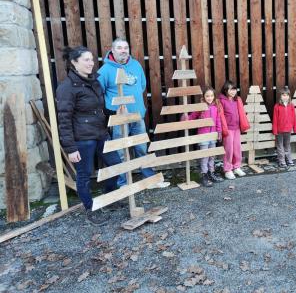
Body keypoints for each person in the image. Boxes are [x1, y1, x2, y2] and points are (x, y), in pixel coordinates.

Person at [56, 46, 121, 226]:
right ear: (74, 63)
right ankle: (90, 208)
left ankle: (109, 197)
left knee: (116, 165)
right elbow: (64, 119)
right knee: (84, 175)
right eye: (86, 60)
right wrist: (70, 148)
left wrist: (113, 111)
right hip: (82, 138)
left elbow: (96, 109)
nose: (91, 63)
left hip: (100, 132)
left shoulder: (94, 81)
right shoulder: (67, 87)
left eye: (92, 59)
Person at [97, 38, 169, 189]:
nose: (123, 50)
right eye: (119, 48)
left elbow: (142, 85)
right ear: (113, 50)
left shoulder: (135, 65)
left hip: (137, 116)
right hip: (118, 119)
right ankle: (124, 184)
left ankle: (150, 180)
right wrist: (111, 110)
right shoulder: (105, 70)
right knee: (121, 152)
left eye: (125, 47)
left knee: (142, 148)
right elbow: (98, 93)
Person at [186, 87, 224, 187]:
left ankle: (211, 173)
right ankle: (204, 175)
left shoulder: (216, 107)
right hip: (203, 136)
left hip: (213, 135)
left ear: (214, 96)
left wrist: (219, 132)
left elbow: (218, 121)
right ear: (204, 97)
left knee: (212, 155)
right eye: (207, 96)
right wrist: (186, 118)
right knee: (204, 156)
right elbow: (192, 116)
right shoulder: (201, 107)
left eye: (211, 95)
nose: (210, 98)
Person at [218, 81, 250, 180]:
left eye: (234, 89)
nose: (233, 91)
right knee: (229, 149)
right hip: (228, 129)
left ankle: (236, 167)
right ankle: (228, 169)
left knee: (237, 148)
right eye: (230, 89)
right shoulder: (221, 100)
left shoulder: (237, 100)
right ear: (225, 90)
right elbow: (221, 115)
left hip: (236, 128)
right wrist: (223, 129)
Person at [272, 87, 296, 168]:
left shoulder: (291, 105)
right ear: (280, 96)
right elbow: (275, 119)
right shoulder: (277, 106)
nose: (285, 97)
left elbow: (294, 117)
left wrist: (295, 128)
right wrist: (275, 130)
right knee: (280, 145)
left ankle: (289, 159)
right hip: (279, 130)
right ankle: (282, 161)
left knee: (287, 145)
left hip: (288, 129)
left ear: (289, 96)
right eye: (283, 95)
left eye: (287, 95)